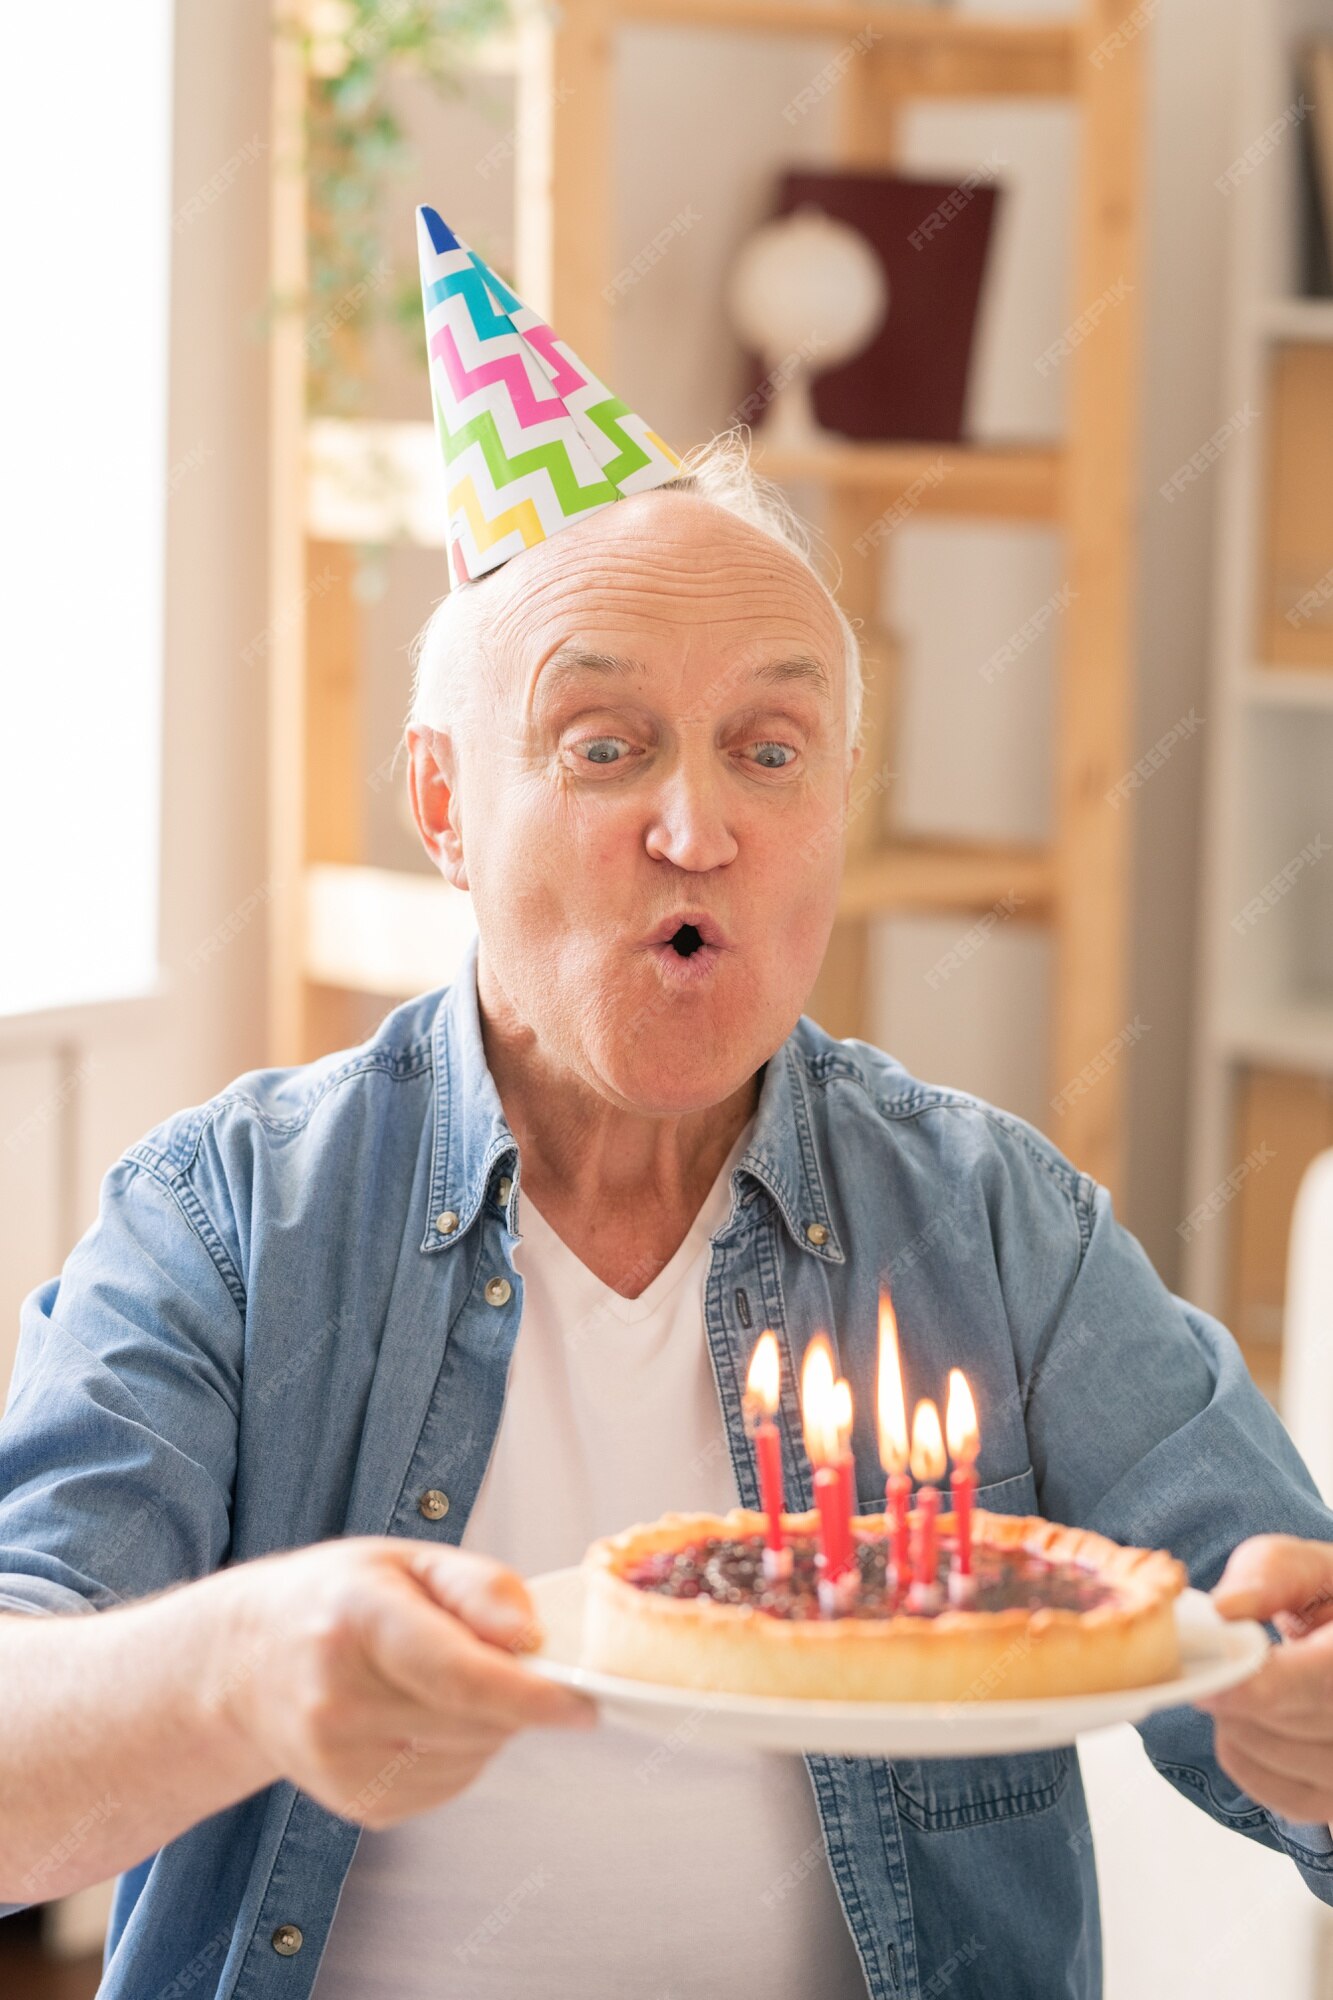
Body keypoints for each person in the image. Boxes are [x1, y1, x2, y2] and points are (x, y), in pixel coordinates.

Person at [2, 213, 1332, 2000]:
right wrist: (235, 1673)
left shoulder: (991, 1225)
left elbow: (1274, 1648)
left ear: (834, 808)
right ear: (445, 802)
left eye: (768, 752)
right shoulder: (231, 1220)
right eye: (604, 743)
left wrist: (1311, 1737)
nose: (696, 828)